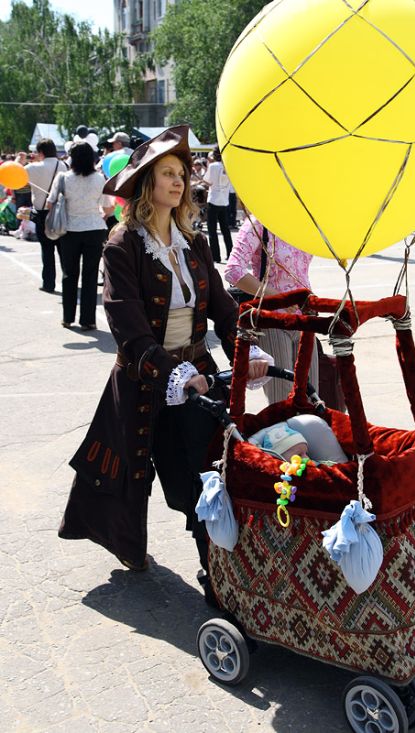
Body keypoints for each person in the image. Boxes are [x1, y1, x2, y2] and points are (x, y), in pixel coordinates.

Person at [57, 126, 269, 604]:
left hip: (197, 371)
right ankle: (130, 547)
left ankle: (219, 571)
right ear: (146, 184)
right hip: (146, 378)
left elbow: (222, 307)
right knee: (125, 474)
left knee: (203, 471)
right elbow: (126, 324)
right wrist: (171, 372)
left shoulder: (192, 242)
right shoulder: (122, 243)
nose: (180, 181)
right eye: (168, 174)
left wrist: (247, 349)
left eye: (182, 173)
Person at [225, 215, 319, 404]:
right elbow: (233, 270)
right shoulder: (259, 222)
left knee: (311, 398)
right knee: (281, 402)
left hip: (305, 320)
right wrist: (276, 296)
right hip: (274, 322)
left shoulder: (304, 220)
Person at [47, 141, 110, 330]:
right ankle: (88, 320)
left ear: (72, 158)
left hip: (70, 230)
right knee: (90, 276)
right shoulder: (100, 179)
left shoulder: (63, 178)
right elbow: (108, 207)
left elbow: (51, 203)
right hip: (94, 228)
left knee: (69, 274)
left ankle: (68, 317)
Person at [25, 139, 68, 292]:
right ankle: (69, 282)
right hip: (61, 211)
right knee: (63, 250)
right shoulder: (64, 165)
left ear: (40, 152)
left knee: (47, 250)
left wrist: (27, 160)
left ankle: (48, 283)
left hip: (42, 214)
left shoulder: (32, 167)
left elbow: (18, 176)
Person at [203, 145, 232, 262]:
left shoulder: (213, 166)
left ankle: (216, 256)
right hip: (224, 201)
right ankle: (230, 253)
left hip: (213, 200)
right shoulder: (229, 167)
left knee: (212, 230)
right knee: (226, 229)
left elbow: (208, 181)